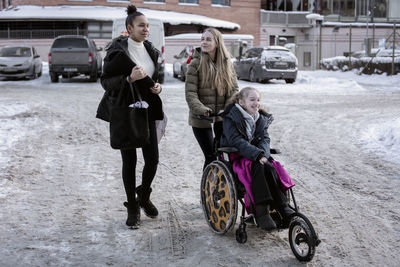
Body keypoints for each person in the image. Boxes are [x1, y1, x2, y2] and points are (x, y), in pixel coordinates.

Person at [97, 5, 163, 228]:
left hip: (149, 110)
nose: (146, 29)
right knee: (130, 161)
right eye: (141, 25)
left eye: (147, 26)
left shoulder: (152, 50)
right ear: (129, 28)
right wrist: (128, 80)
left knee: (152, 159)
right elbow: (105, 82)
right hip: (125, 111)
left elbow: (157, 75)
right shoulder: (117, 52)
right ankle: (133, 206)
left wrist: (158, 87)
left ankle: (143, 195)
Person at [220, 87, 294, 231]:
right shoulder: (231, 118)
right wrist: (257, 155)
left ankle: (282, 206)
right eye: (252, 100)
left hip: (257, 156)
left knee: (271, 166)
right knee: (257, 167)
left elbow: (265, 139)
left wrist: (263, 155)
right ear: (241, 102)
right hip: (238, 156)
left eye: (258, 100)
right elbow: (236, 141)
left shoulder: (260, 118)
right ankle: (261, 211)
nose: (256, 103)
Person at [185, 27, 239, 170]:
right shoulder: (195, 63)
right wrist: (202, 110)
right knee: (210, 156)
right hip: (201, 118)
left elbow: (234, 90)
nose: (204, 42)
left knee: (223, 155)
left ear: (217, 42)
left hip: (222, 117)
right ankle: (207, 190)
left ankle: (223, 187)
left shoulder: (227, 63)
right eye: (202, 39)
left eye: (208, 39)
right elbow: (190, 93)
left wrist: (227, 109)